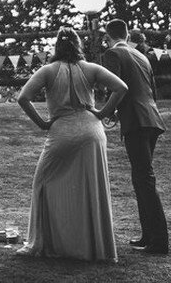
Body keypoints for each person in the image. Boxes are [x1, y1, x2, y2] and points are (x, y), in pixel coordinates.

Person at [15, 27, 128, 262]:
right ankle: (94, 248)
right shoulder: (91, 68)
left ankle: (43, 243)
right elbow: (122, 88)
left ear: (57, 46)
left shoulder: (48, 70)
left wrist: (43, 124)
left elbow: (23, 97)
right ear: (78, 45)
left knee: (43, 183)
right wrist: (102, 112)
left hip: (62, 132)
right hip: (92, 131)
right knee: (90, 188)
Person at [100, 18, 169, 255]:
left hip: (137, 121)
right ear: (128, 35)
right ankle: (147, 236)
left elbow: (118, 88)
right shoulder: (142, 56)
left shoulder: (112, 54)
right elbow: (150, 90)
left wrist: (104, 112)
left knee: (145, 179)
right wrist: (121, 112)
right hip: (151, 118)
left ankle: (159, 241)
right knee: (141, 178)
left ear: (107, 37)